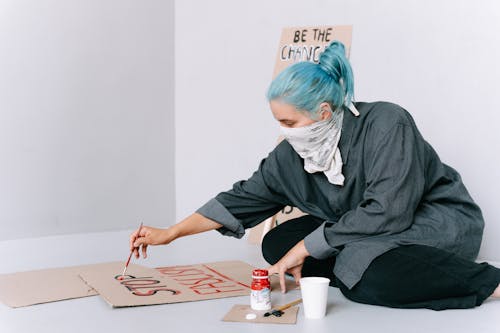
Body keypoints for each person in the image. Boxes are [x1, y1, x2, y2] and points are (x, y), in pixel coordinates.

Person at [130, 41, 500, 310]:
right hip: (362, 229)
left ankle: (487, 282)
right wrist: (171, 232)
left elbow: (391, 211)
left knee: (365, 275)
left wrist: (310, 248)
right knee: (277, 243)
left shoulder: (388, 123)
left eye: (289, 122)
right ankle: (356, 261)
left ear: (324, 112)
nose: (284, 131)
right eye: (278, 122)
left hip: (433, 221)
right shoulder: (290, 155)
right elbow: (242, 198)